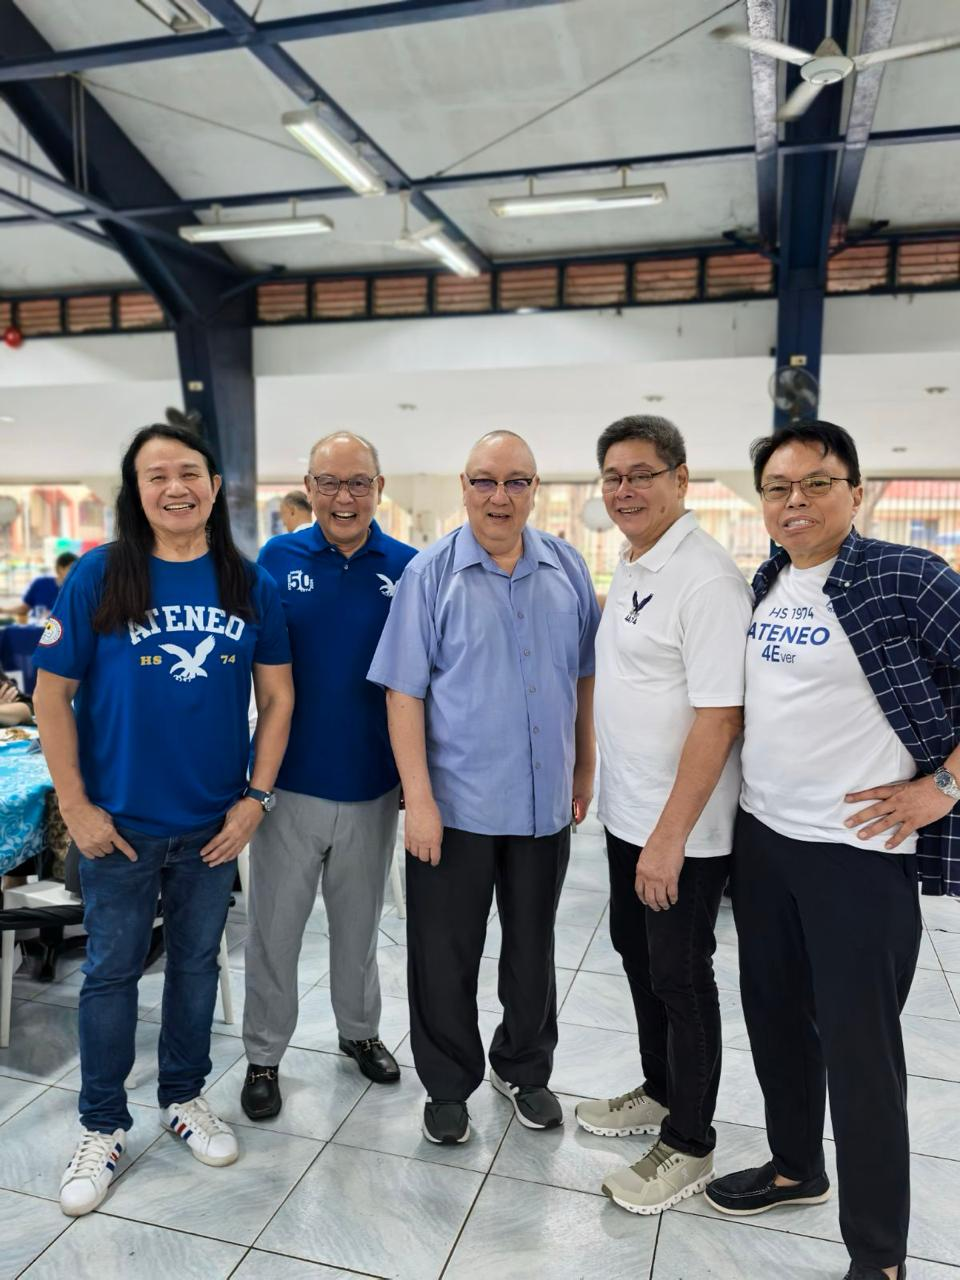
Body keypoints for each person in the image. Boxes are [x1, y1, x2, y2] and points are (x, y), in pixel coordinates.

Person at [705, 420, 960, 1280]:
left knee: (861, 1059)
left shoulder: (906, 576)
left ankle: (879, 1256)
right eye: (778, 487)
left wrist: (943, 788)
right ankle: (794, 1168)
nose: (796, 501)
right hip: (767, 844)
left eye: (816, 483)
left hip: (856, 860)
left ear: (858, 490)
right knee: (776, 1025)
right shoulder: (769, 581)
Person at [32, 422, 293, 1219]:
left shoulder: (247, 583)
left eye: (190, 472)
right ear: (135, 491)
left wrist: (255, 801)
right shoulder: (100, 577)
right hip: (116, 827)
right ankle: (102, 1125)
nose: (175, 487)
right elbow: (50, 696)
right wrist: (74, 806)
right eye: (156, 476)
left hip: (213, 827)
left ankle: (183, 1097)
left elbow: (279, 698)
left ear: (216, 486)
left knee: (195, 966)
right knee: (109, 973)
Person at [368, 430, 600, 1145]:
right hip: (456, 809)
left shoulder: (567, 567)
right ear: (463, 487)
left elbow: (582, 677)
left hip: (541, 808)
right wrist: (421, 802)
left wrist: (583, 767)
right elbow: (402, 695)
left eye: (517, 482)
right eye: (486, 481)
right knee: (445, 954)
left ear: (536, 489)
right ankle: (447, 1084)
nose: (500, 496)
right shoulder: (430, 575)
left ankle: (525, 1068)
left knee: (533, 950)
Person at [575, 415, 752, 1214]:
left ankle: (690, 1142)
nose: (625, 489)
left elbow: (720, 719)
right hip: (629, 812)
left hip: (682, 830)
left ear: (683, 479)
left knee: (681, 977)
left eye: (642, 474)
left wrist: (670, 840)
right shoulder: (638, 558)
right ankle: (658, 1090)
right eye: (613, 476)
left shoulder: (707, 578)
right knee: (635, 954)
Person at [240, 432, 416, 1118]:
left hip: (373, 784)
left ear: (379, 486)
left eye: (359, 483)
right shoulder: (275, 561)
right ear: (308, 487)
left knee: (359, 925)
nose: (344, 497)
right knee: (275, 929)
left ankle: (359, 1031)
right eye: (330, 483)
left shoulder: (408, 566)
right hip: (287, 785)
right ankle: (263, 1054)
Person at [14, 551, 78, 622]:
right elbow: (25, 608)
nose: (76, 572)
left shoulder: (77, 590)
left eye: (77, 569)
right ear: (60, 569)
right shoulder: (40, 583)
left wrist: (52, 615)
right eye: (72, 569)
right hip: (36, 626)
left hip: (61, 629)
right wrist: (4, 610)